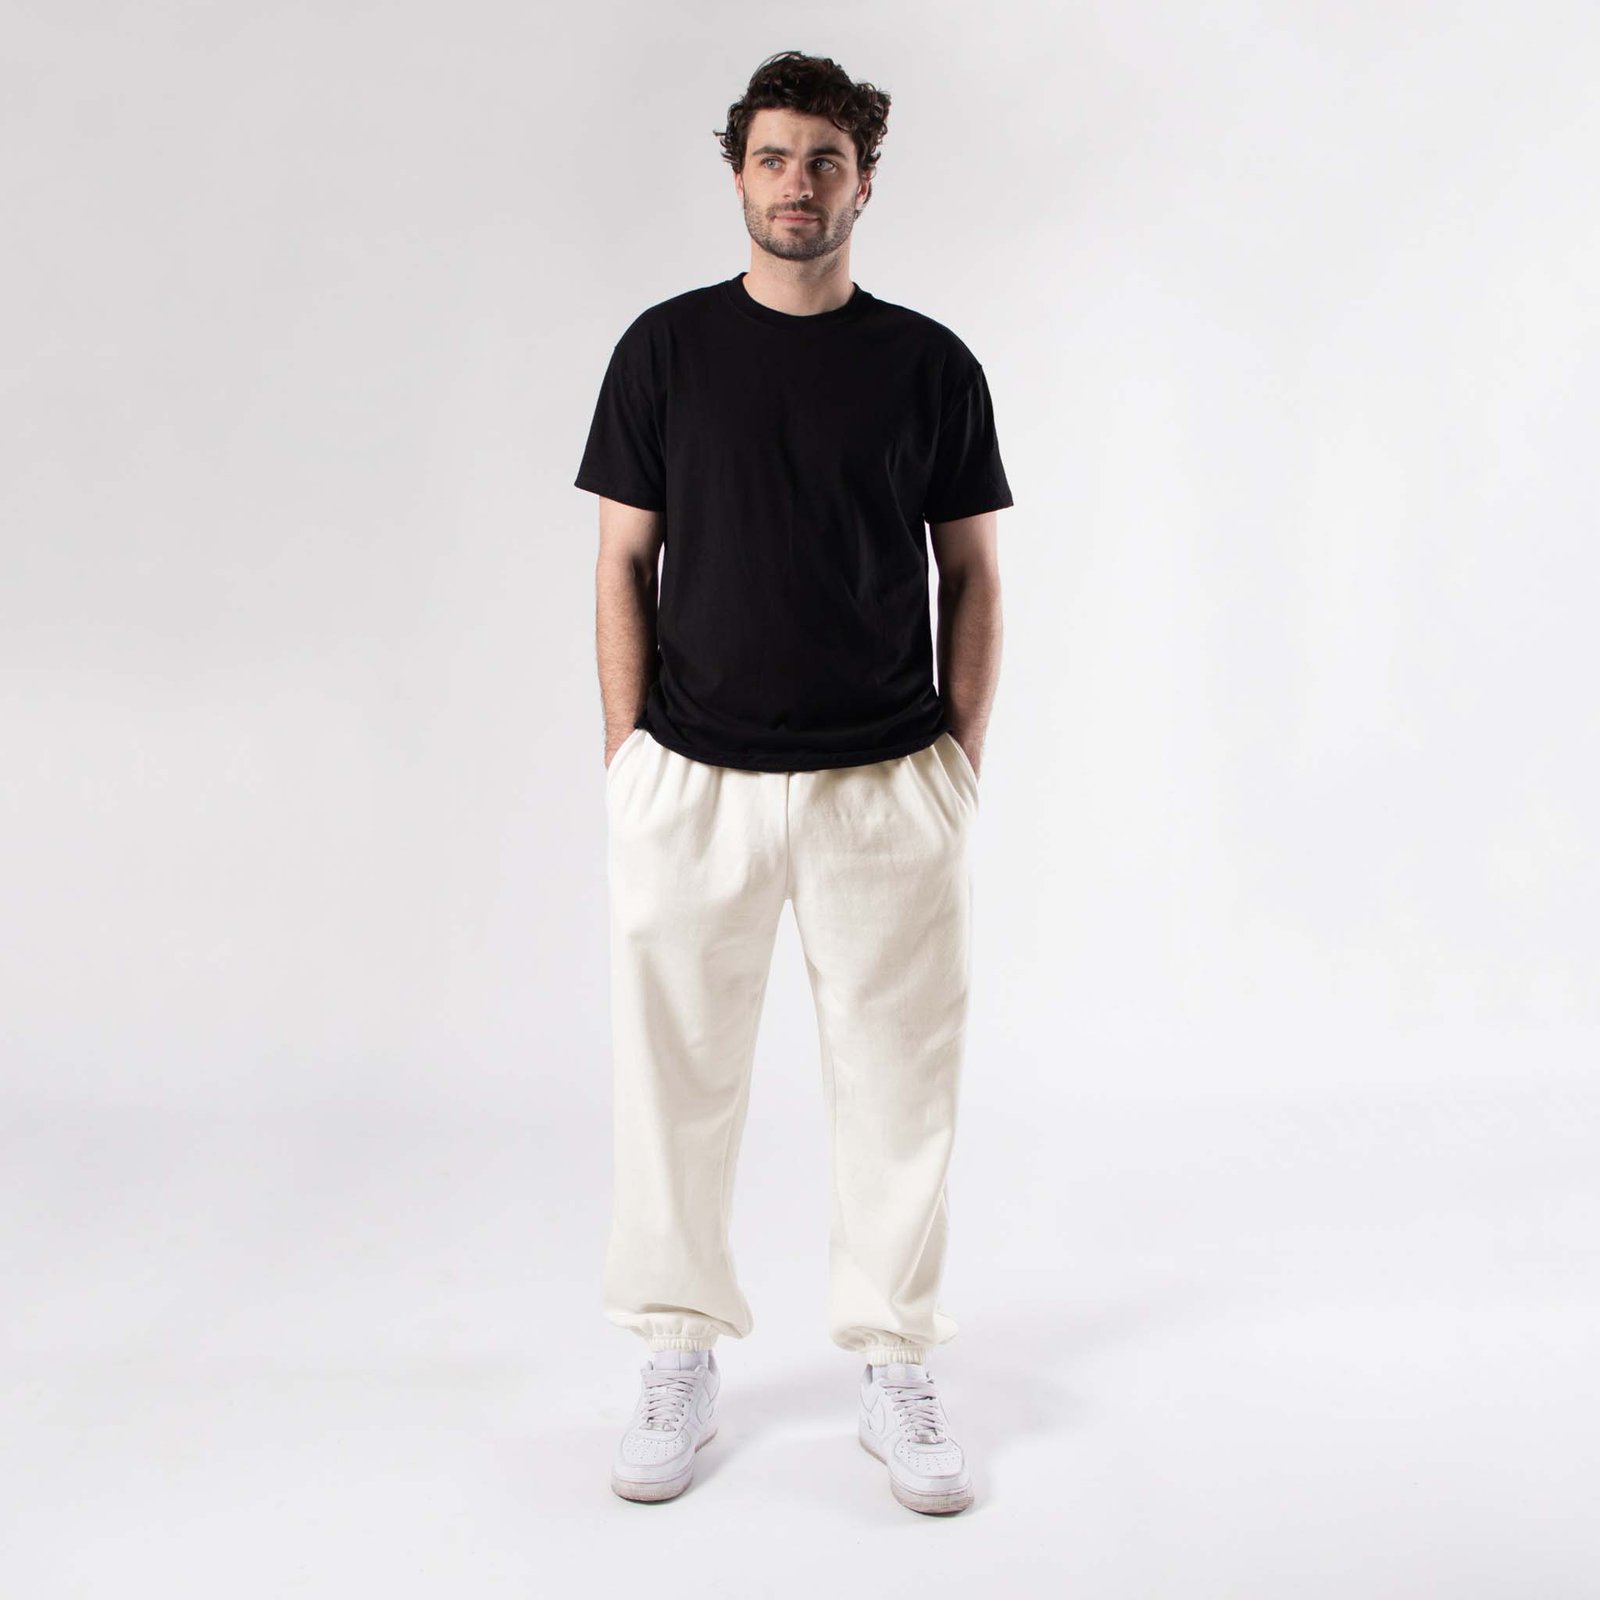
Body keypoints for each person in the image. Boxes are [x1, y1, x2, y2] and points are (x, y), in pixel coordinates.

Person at [574, 49, 1012, 1515]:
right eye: (772, 157)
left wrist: (956, 765)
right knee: (672, 1081)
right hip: (690, 780)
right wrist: (629, 756)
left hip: (883, 785)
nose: (796, 184)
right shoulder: (664, 352)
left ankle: (896, 1363)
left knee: (900, 1086)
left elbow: (974, 575)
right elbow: (622, 561)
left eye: (825, 160)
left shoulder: (930, 366)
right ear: (737, 174)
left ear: (863, 183)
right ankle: (675, 1354)